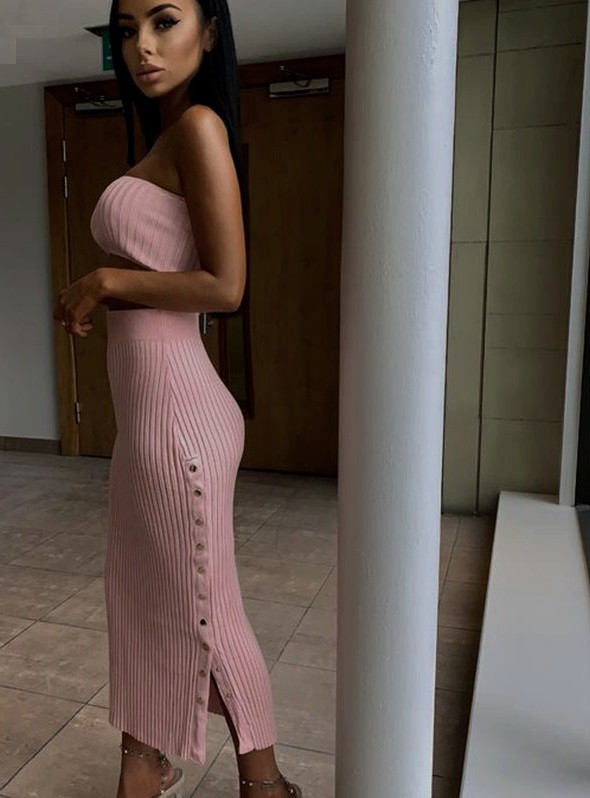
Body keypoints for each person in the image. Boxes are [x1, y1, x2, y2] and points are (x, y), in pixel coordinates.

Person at [53, 1, 302, 796]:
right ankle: (143, 763)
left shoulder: (198, 128)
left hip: (181, 421)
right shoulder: (166, 137)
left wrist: (105, 278)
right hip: (150, 422)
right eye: (128, 31)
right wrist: (102, 292)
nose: (143, 47)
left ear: (210, 31)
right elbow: (173, 281)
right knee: (138, 600)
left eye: (164, 22)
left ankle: (264, 784)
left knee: (206, 613)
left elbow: (225, 287)